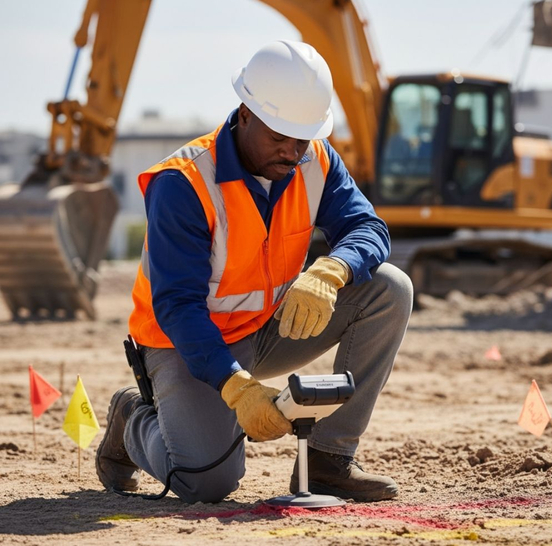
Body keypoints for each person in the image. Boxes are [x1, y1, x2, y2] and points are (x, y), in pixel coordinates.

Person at [95, 40, 413, 504]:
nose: (292, 151)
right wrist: (235, 386)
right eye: (279, 136)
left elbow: (367, 227)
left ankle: (328, 461)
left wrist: (333, 269)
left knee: (389, 289)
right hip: (184, 344)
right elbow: (177, 306)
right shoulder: (183, 183)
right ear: (244, 114)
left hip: (267, 330)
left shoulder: (315, 159)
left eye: (302, 137)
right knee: (205, 482)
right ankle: (133, 419)